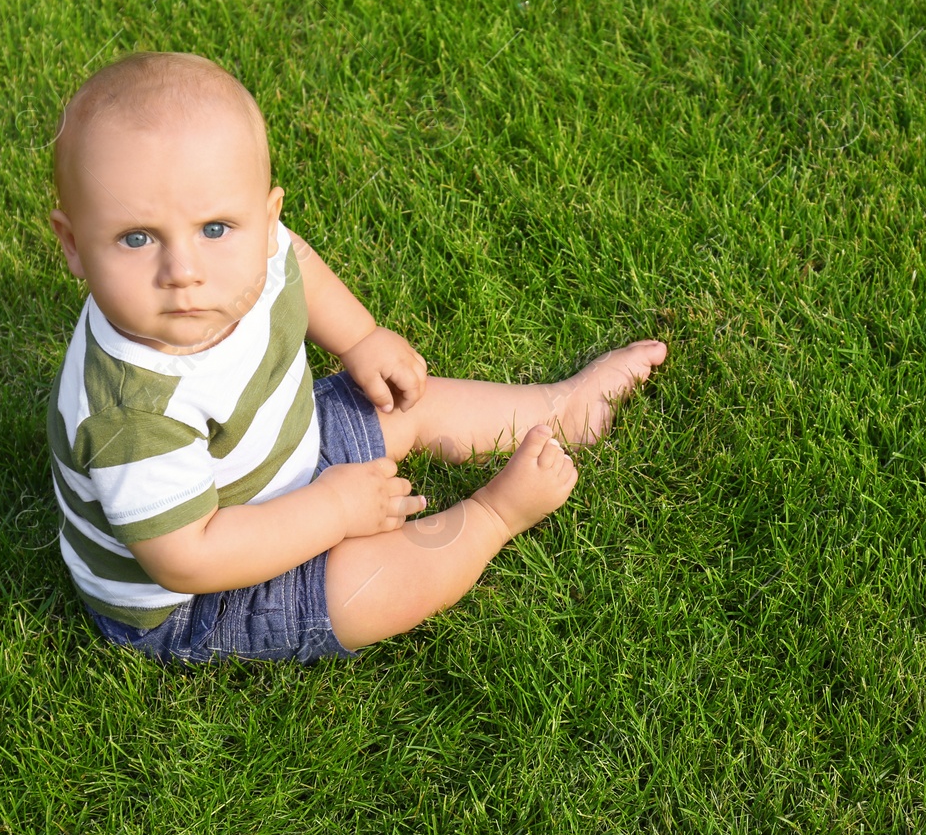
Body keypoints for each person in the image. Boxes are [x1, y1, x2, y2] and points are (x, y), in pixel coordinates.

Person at [45, 50, 667, 662]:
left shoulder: (250, 251)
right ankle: (495, 516)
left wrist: (361, 339)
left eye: (214, 230)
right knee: (370, 583)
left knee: (405, 401)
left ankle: (562, 407)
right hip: (195, 594)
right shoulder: (129, 411)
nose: (183, 271)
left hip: (283, 453)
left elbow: (298, 267)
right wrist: (333, 509)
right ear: (73, 245)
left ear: (266, 219)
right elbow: (188, 556)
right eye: (136, 238)